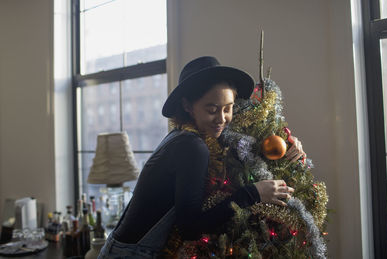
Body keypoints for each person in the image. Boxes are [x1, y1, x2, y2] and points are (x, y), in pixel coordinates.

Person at [98, 56, 305, 258]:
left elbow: (244, 140)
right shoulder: (191, 146)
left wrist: (286, 142)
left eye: (228, 108)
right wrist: (253, 194)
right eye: (212, 109)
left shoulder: (186, 136)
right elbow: (191, 228)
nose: (222, 119)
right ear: (188, 106)